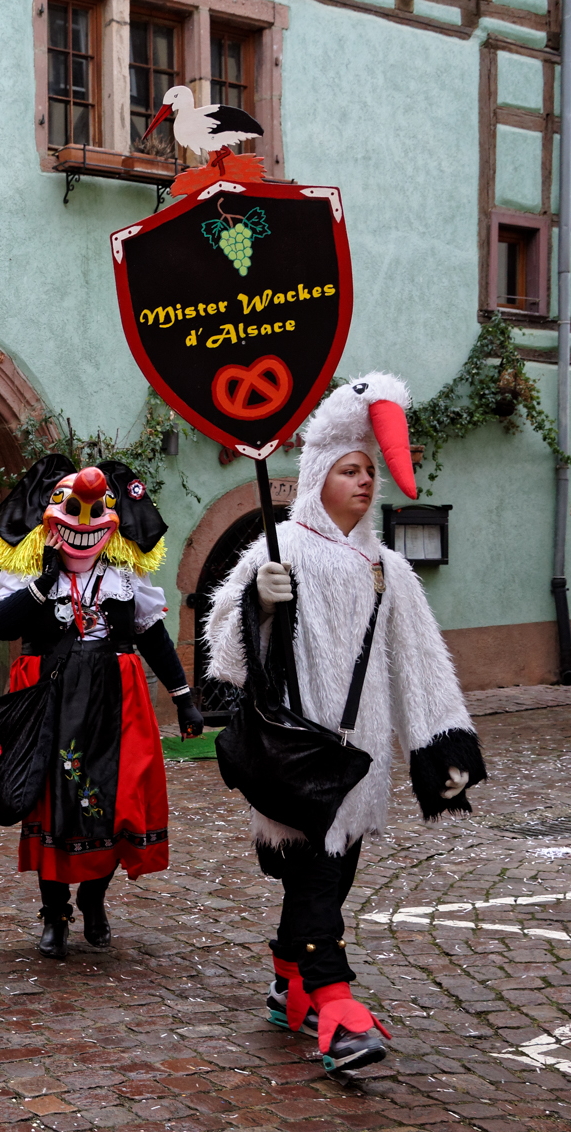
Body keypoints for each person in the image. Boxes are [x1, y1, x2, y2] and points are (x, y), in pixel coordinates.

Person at [205, 374, 486, 1076]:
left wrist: (442, 742)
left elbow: (418, 664)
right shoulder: (282, 551)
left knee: (333, 877)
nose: (364, 482)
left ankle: (286, 981)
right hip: (293, 755)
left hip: (358, 772)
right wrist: (255, 604)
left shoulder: (388, 568)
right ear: (316, 473)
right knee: (316, 886)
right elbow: (226, 657)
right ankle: (336, 1008)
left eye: (369, 470)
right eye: (349, 469)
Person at [0, 459, 203, 959]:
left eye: (96, 512)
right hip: (51, 703)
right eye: (71, 515)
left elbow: (151, 633)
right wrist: (42, 585)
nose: (83, 530)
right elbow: (1, 625)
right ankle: (55, 912)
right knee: (53, 807)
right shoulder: (29, 570)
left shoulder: (125, 574)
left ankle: (94, 900)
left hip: (116, 705)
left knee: (113, 806)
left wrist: (184, 697)